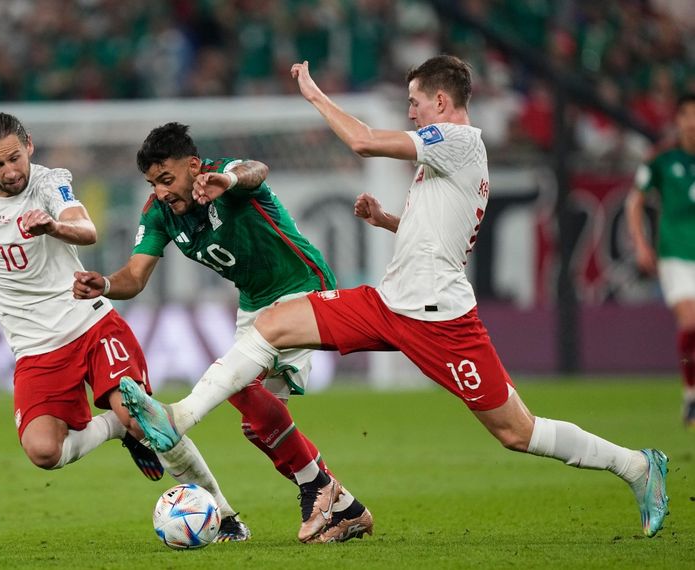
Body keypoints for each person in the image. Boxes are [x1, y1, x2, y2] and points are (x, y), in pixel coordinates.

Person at [119, 56, 671, 539]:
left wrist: (314, 95)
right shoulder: (444, 162)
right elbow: (438, 230)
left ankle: (637, 466)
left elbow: (363, 142)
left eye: (413, 102)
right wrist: (387, 221)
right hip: (391, 304)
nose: (409, 113)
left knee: (516, 432)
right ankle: (182, 415)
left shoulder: (458, 140)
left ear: (439, 100)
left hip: (438, 318)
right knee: (272, 324)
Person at [0, 112, 250, 542]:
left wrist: (53, 226)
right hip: (34, 348)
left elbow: (86, 229)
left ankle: (226, 516)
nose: (10, 172)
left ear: (29, 145)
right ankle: (115, 427)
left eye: (14, 158)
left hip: (91, 325)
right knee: (45, 452)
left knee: (145, 421)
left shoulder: (49, 181)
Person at [72, 122, 373, 544]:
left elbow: (256, 169)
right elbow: (136, 277)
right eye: (152, 183)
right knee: (257, 421)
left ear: (194, 166)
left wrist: (227, 179)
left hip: (302, 286)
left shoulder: (223, 177)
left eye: (167, 179)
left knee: (240, 385)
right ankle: (345, 508)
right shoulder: (158, 212)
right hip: (254, 303)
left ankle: (309, 482)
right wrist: (103, 284)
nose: (160, 191)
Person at [626, 93, 695, 429]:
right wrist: (640, 244)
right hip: (675, 255)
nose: (693, 123)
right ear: (678, 120)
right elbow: (635, 201)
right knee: (690, 321)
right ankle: (691, 393)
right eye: (688, 115)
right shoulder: (662, 159)